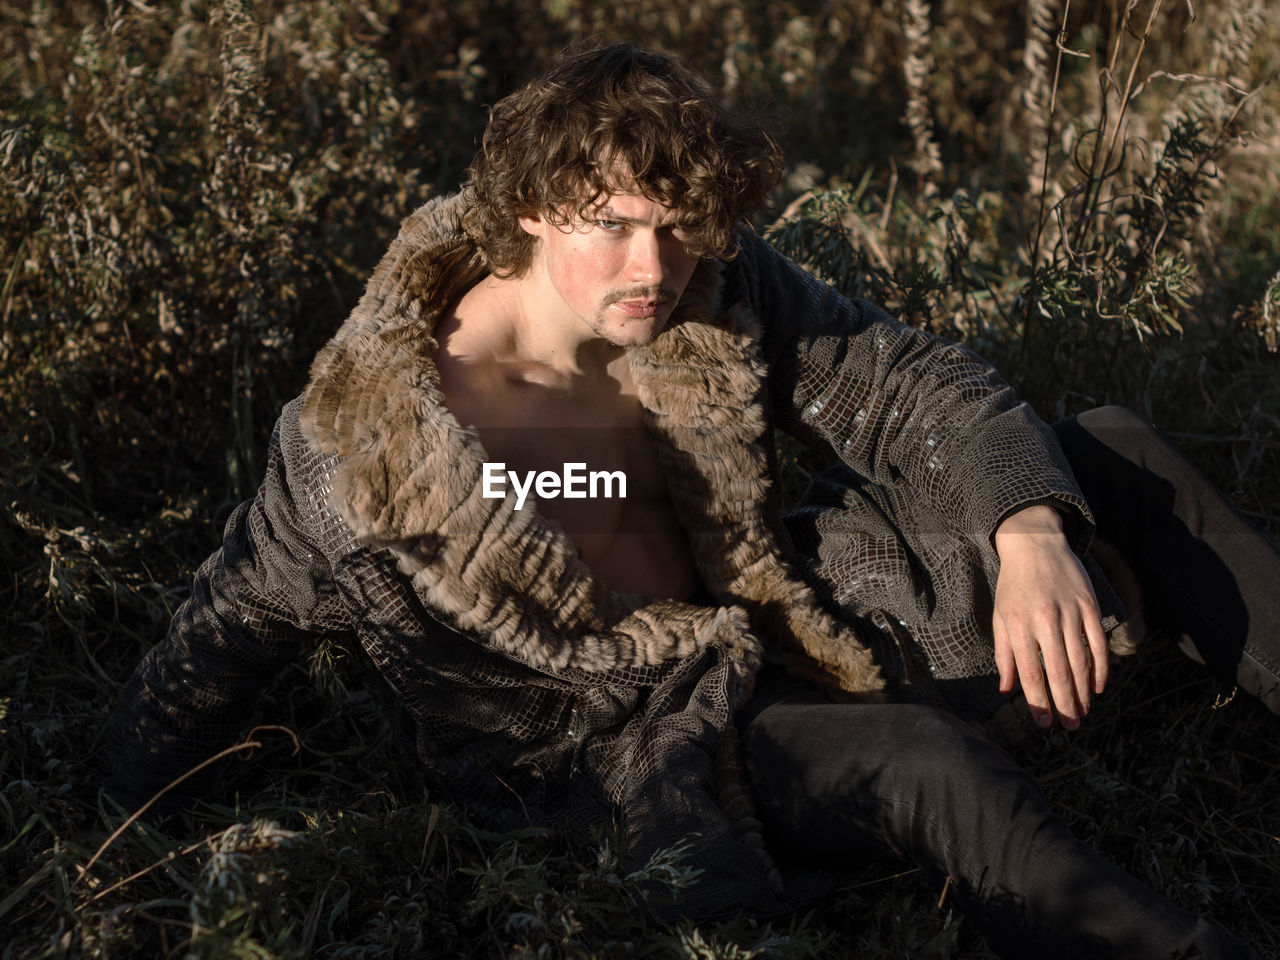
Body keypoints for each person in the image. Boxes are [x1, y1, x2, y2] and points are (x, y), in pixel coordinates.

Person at [104, 43, 1278, 958]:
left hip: (784, 619)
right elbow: (222, 630)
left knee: (1107, 451)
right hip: (623, 743)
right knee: (920, 762)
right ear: (526, 205)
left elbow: (905, 380)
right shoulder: (356, 448)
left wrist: (1027, 531)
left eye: (674, 227)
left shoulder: (709, 287)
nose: (650, 268)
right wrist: (117, 821)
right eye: (608, 226)